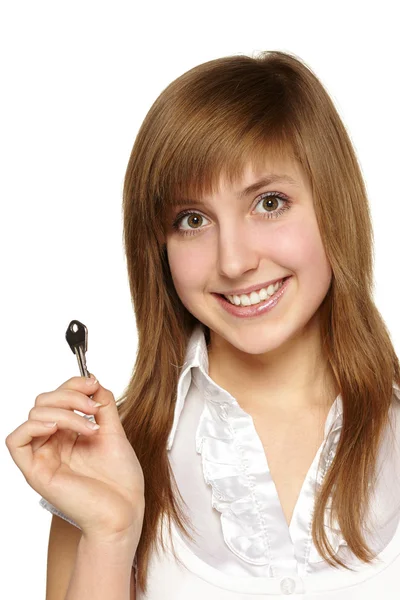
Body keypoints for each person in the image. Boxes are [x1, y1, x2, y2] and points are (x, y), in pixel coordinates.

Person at [5, 50, 400, 600]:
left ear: (336, 206)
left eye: (269, 202)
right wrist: (110, 534)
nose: (234, 261)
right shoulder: (107, 461)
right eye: (192, 220)